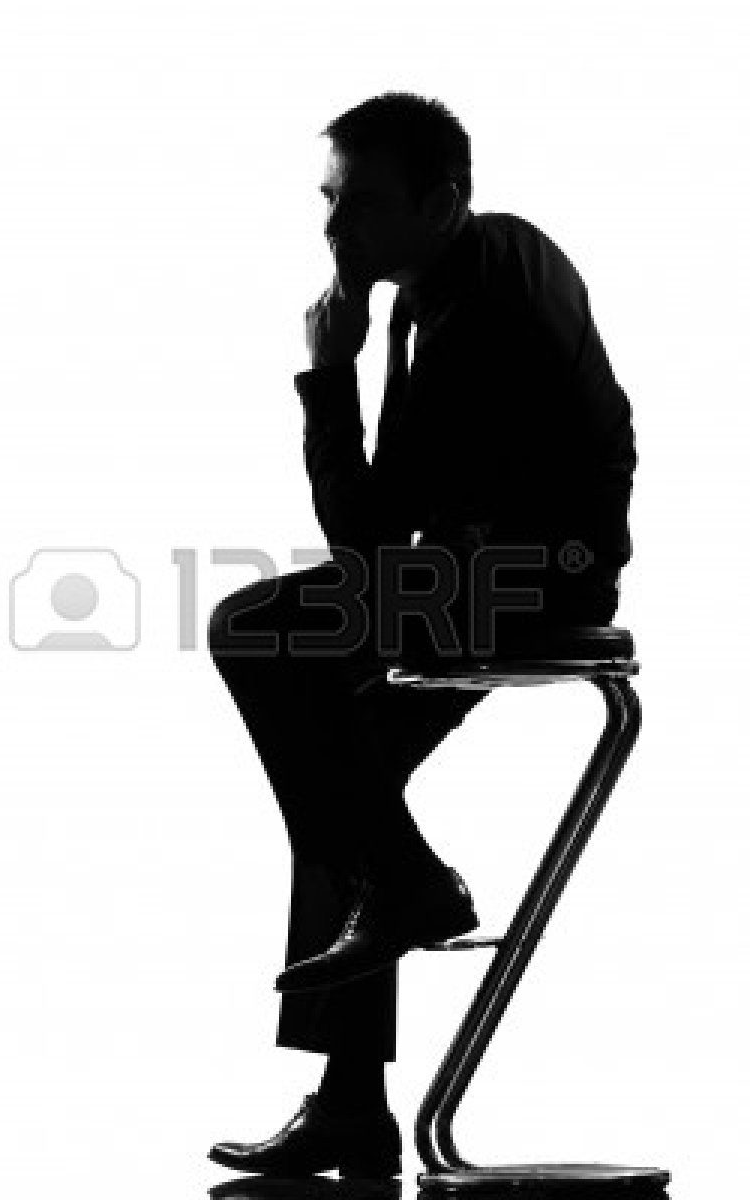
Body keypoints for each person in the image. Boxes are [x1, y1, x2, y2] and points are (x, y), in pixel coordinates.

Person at [206, 91, 637, 1179]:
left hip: (525, 582)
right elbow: (388, 536)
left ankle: (405, 887)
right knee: (346, 789)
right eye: (327, 200)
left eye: (357, 203)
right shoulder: (456, 276)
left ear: (440, 203)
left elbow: (362, 539)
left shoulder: (482, 302)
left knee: (251, 629)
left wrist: (327, 374)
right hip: (481, 573)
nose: (332, 228)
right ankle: (351, 1103)